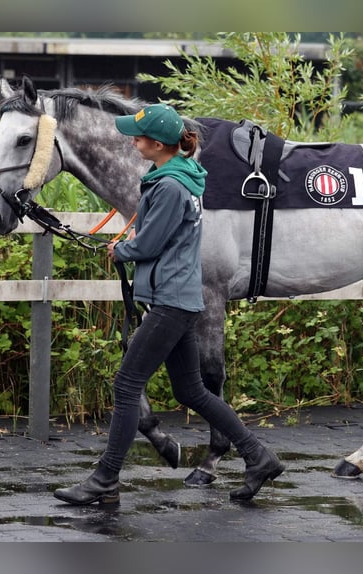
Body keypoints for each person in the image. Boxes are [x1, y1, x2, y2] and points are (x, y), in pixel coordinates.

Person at [54, 104, 284, 505]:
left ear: (158, 145)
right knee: (192, 391)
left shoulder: (170, 186)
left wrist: (121, 250)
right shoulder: (182, 178)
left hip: (170, 301)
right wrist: (129, 247)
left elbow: (149, 243)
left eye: (138, 138)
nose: (132, 142)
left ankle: (106, 480)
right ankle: (258, 456)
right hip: (181, 297)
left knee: (126, 385)